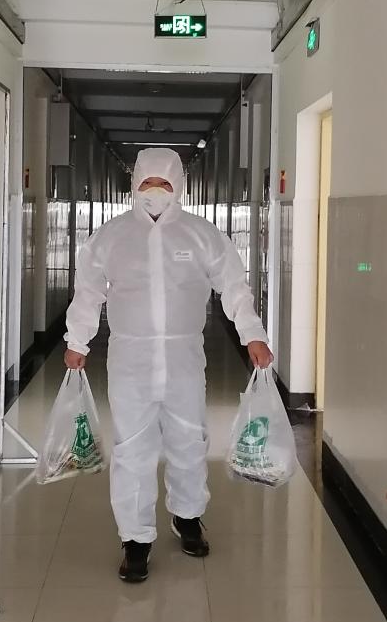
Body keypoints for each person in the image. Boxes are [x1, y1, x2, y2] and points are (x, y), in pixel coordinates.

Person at [63, 147, 273, 582]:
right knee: (131, 449)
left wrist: (252, 333)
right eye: (147, 183)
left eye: (163, 184)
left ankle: (188, 516)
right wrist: (77, 339)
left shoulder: (202, 235)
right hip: (130, 360)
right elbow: (87, 293)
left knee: (189, 439)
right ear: (134, 184)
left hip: (183, 358)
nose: (155, 191)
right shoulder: (111, 237)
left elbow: (234, 286)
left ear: (178, 186)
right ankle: (135, 538)